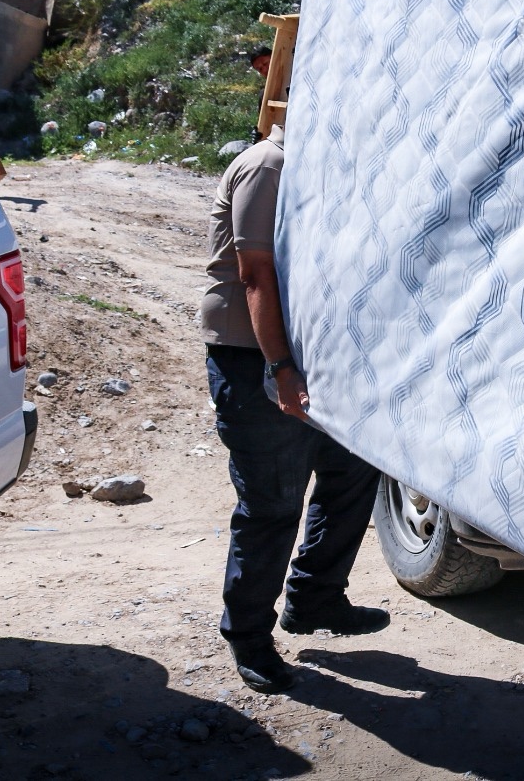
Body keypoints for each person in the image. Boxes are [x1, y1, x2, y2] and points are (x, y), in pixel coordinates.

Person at [202, 115, 389, 695]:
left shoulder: (322, 171)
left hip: (316, 353)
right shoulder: (269, 166)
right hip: (255, 354)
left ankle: (314, 598)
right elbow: (255, 274)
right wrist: (281, 371)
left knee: (353, 472)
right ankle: (250, 638)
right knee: (272, 503)